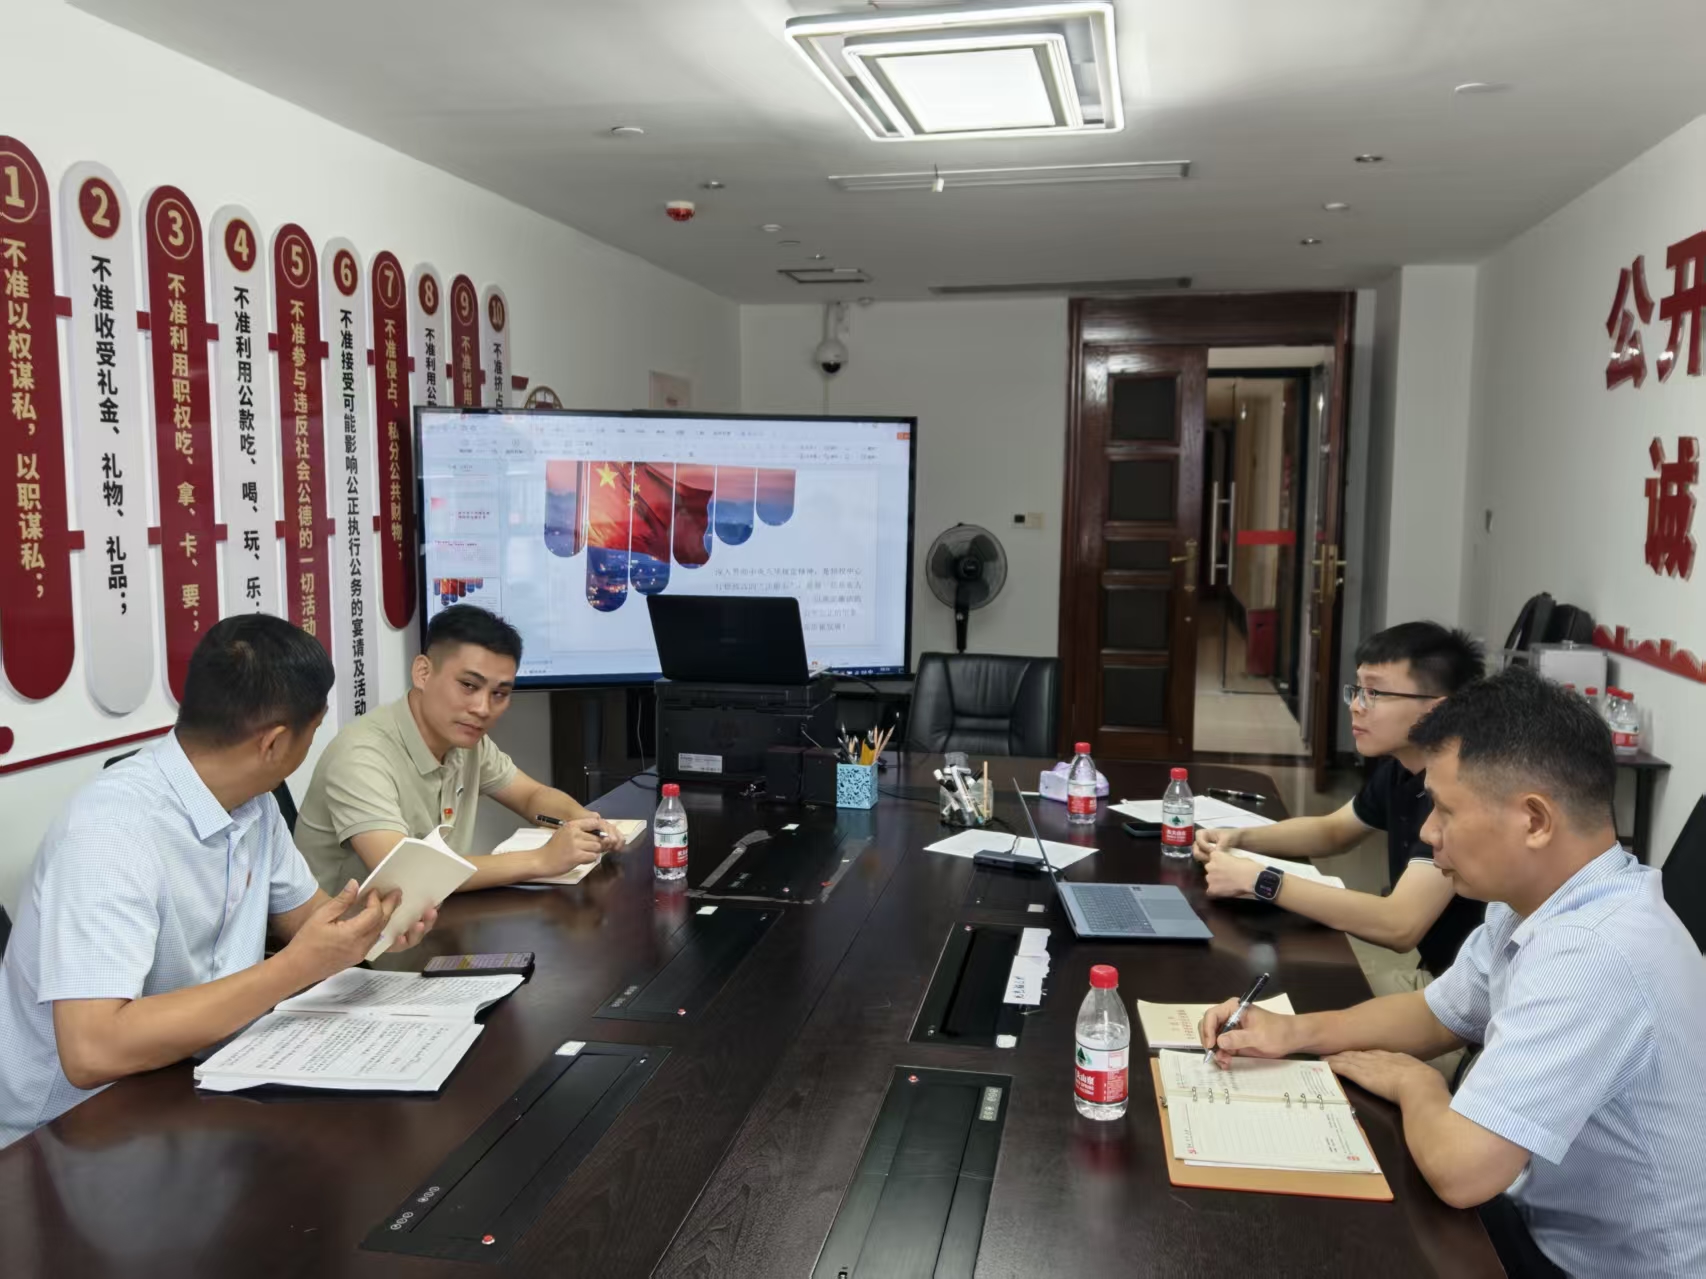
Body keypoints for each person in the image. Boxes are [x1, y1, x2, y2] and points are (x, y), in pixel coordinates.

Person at [1198, 667, 1706, 1278]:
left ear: (1535, 820)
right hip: (1545, 1222)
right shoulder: (1542, 900)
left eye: (1444, 809)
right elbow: (1438, 1013)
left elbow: (1463, 1173)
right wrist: (1294, 1032)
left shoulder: (1593, 952)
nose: (1427, 832)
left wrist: (1419, 1085)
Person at [0, 615, 433, 1149]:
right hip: (69, 1133)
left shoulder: (254, 803)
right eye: (314, 729)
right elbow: (92, 1050)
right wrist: (297, 966)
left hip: (195, 1079)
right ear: (274, 743)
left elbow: (310, 920)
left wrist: (379, 920)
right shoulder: (109, 833)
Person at [1194, 621, 1487, 980]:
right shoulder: (1403, 767)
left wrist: (1261, 880)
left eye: (1374, 693)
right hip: (1440, 979)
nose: (1356, 707)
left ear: (1436, 710)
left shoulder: (1465, 787)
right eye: (1357, 690)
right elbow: (1334, 830)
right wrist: (1239, 837)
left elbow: (1399, 924)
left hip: (1469, 995)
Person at [294, 604, 620, 895]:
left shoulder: (466, 741)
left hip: (424, 917)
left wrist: (583, 821)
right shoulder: (361, 755)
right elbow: (406, 874)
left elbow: (531, 796)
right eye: (468, 685)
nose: (482, 708)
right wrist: (541, 860)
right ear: (423, 672)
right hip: (349, 937)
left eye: (499, 693)